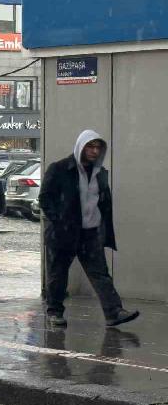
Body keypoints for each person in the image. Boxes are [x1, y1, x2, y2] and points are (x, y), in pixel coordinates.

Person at [39, 130, 139, 327]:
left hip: (89, 233)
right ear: (80, 147)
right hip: (63, 233)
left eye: (97, 147)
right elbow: (45, 198)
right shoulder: (59, 169)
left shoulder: (100, 173)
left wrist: (103, 227)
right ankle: (54, 312)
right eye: (90, 146)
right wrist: (59, 221)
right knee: (58, 274)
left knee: (100, 274)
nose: (94, 151)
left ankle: (114, 312)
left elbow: (103, 202)